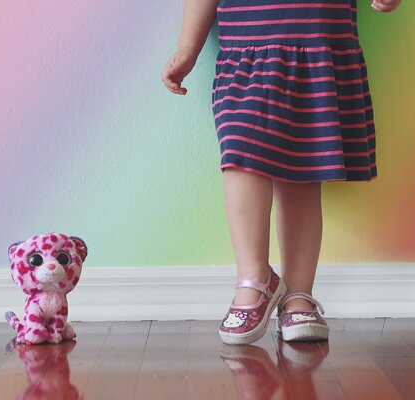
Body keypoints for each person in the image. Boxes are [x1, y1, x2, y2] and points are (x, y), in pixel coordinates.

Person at [162, 0, 402, 345]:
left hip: (318, 46)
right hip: (248, 52)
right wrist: (187, 49)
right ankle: (254, 279)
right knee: (240, 153)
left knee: (303, 171)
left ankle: (298, 293)